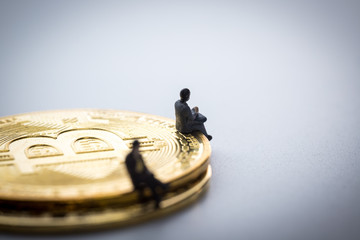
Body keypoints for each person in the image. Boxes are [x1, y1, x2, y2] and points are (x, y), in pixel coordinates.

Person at [125, 140, 169, 209]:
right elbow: (131, 172)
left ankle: (158, 199)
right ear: (134, 147)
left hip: (144, 176)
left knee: (151, 179)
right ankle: (162, 186)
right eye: (137, 147)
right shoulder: (129, 158)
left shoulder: (139, 156)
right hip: (136, 179)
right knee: (151, 181)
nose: (138, 149)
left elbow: (144, 167)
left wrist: (148, 172)